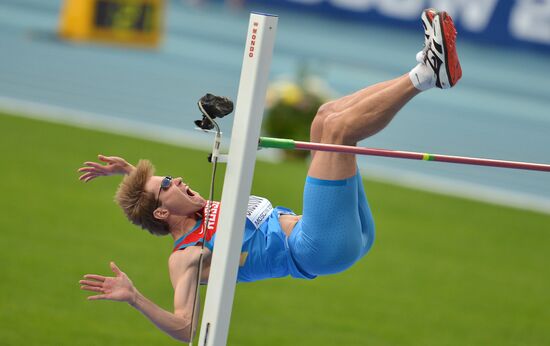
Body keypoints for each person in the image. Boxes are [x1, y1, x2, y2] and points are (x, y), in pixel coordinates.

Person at [78, 9, 461, 343]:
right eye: (167, 186)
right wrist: (134, 297)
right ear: (162, 214)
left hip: (335, 235)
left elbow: (147, 198)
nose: (177, 180)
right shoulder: (186, 255)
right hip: (316, 247)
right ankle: (428, 75)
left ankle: (426, 66)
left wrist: (126, 172)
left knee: (325, 117)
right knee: (342, 132)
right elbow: (184, 328)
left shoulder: (193, 207)